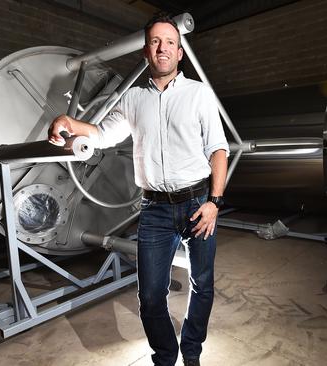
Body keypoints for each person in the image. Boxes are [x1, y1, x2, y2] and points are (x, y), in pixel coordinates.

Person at [48, 14, 229, 366]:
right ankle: (165, 356)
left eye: (170, 43)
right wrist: (71, 123)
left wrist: (214, 203)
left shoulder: (198, 94)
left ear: (179, 53)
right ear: (147, 51)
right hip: (154, 210)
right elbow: (103, 135)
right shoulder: (132, 99)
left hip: (197, 203)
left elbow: (217, 150)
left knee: (202, 285)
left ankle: (191, 352)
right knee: (149, 296)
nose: (162, 48)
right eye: (155, 42)